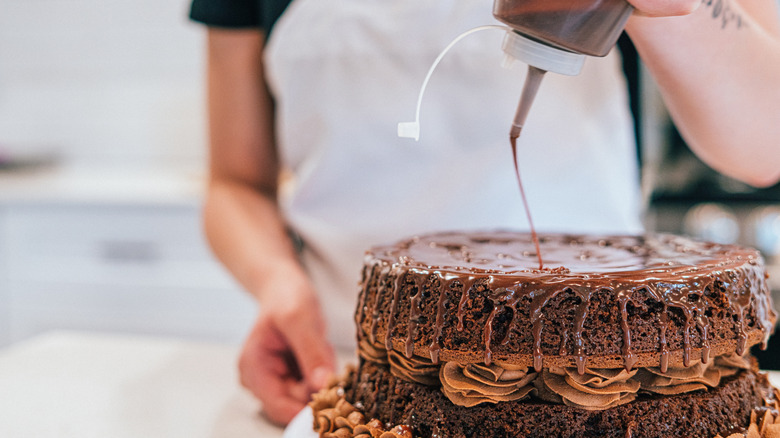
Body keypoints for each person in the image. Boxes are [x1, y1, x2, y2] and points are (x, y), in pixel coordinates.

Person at [189, 0, 780, 426]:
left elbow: (765, 143)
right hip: (361, 365)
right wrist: (278, 284)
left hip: (622, 374)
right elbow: (235, 182)